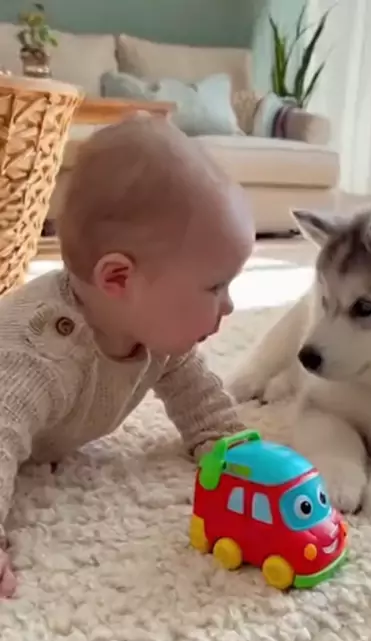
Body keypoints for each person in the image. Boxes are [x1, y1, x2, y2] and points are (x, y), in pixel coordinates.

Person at [0, 113, 254, 597]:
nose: (229, 306)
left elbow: (196, 394)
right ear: (118, 278)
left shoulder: (156, 333)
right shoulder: (38, 353)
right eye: (214, 287)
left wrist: (227, 443)